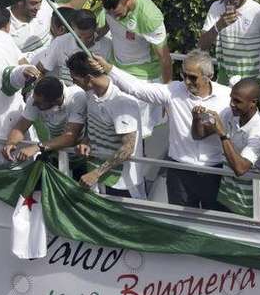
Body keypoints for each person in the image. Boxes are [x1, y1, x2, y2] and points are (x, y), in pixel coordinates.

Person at [90, 49, 232, 209]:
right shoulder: (173, 91)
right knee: (179, 219)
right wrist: (109, 68)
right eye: (184, 75)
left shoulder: (227, 97)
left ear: (209, 76)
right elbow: (136, 88)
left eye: (192, 77)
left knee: (215, 219)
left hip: (215, 171)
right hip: (180, 170)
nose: (186, 82)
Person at [67, 52, 146, 198]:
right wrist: (85, 141)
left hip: (122, 183)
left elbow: (128, 148)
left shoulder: (123, 101)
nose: (73, 83)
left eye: (75, 79)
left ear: (88, 79)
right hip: (96, 177)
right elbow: (93, 122)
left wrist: (96, 174)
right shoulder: (90, 92)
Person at [99, 0, 172, 136]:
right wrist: (96, 34)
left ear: (128, 0)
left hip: (144, 78)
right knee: (115, 129)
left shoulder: (150, 18)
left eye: (118, 14)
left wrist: (167, 97)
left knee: (140, 134)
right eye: (110, 14)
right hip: (116, 70)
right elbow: (108, 23)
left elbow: (165, 59)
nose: (115, 18)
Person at [194, 78, 260, 216]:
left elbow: (240, 169)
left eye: (237, 101)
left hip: (249, 204)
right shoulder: (229, 113)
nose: (231, 104)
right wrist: (196, 119)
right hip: (226, 196)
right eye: (231, 99)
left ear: (253, 102)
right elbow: (199, 135)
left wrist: (223, 134)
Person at [2, 76, 86, 162]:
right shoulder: (35, 99)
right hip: (54, 151)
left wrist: (37, 147)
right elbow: (21, 126)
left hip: (81, 155)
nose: (34, 104)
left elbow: (70, 137)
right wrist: (11, 143)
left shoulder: (77, 97)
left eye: (39, 103)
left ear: (56, 101)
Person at [36, 9, 112, 86]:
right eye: (79, 37)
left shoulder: (107, 44)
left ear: (96, 27)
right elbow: (41, 70)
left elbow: (110, 76)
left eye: (89, 37)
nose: (83, 42)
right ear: (72, 27)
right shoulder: (60, 42)